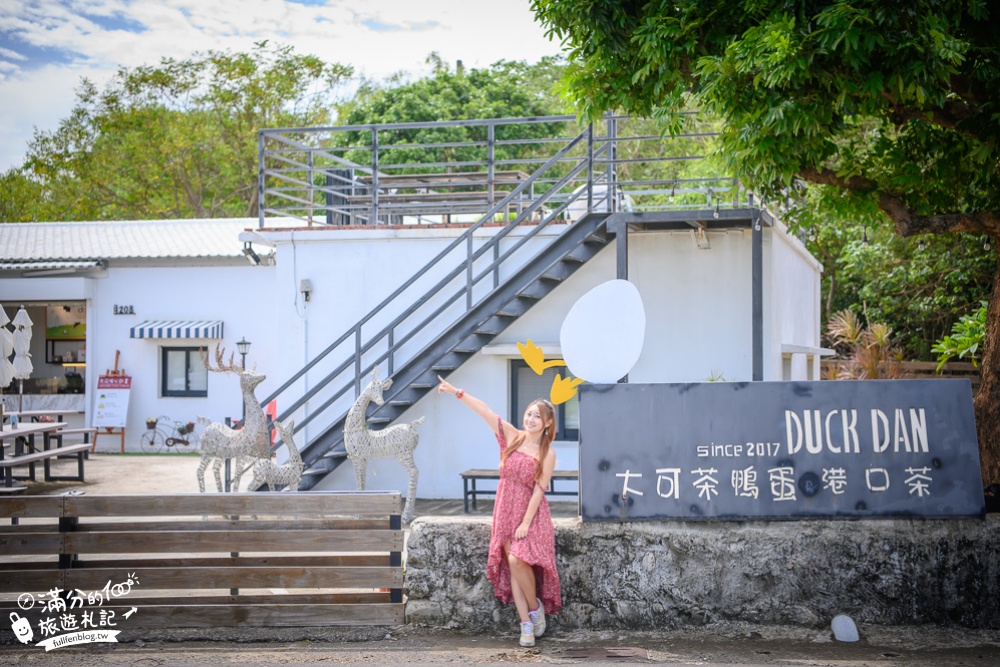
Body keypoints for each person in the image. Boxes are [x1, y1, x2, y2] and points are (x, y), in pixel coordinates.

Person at [437, 375, 562, 647]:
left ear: (548, 423)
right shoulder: (512, 437)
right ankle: (527, 623)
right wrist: (457, 392)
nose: (530, 419)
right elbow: (485, 411)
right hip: (505, 507)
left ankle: (534, 606)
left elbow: (540, 489)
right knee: (513, 565)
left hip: (532, 514)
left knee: (519, 561)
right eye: (528, 414)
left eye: (536, 417)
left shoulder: (547, 453)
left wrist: (526, 523)